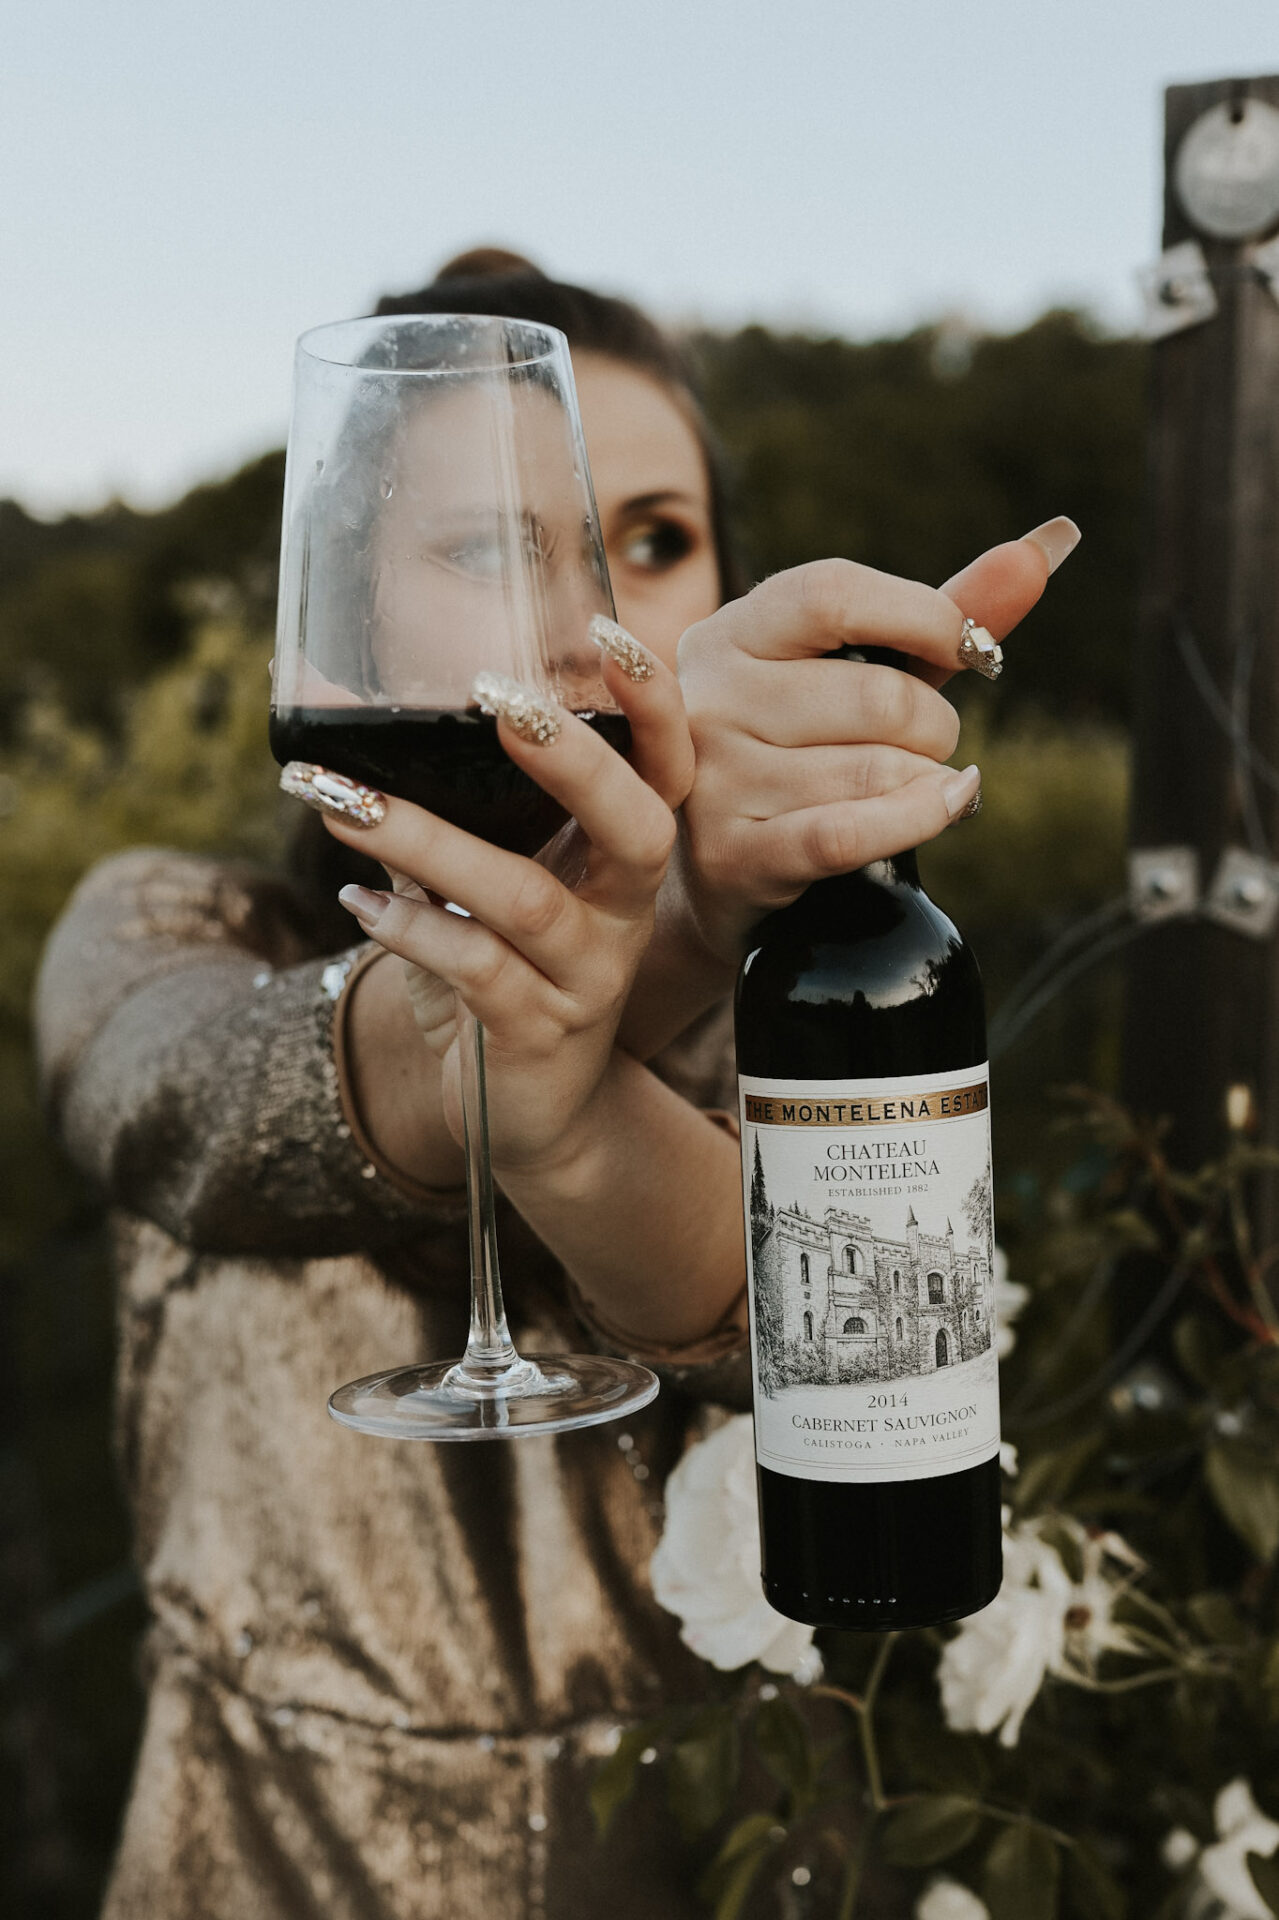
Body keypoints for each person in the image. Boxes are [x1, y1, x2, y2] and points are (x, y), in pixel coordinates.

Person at [35, 249, 1077, 1920]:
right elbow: (187, 1106)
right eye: (485, 546)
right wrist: (575, 975)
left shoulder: (841, 998)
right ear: (346, 606)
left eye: (646, 540)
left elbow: (806, 1329)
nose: (596, 616)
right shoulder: (169, 926)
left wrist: (626, 1022)